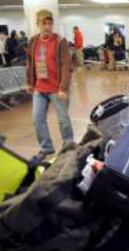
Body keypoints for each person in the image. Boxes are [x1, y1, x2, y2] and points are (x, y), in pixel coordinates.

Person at [26, 9, 74, 159]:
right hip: (39, 88)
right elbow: (30, 63)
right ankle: (46, 147)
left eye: (50, 23)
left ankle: (68, 145)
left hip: (56, 89)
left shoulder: (60, 41)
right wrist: (29, 82)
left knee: (63, 119)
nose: (47, 26)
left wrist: (64, 88)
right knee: (37, 119)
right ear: (37, 24)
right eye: (44, 23)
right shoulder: (33, 41)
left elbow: (66, 65)